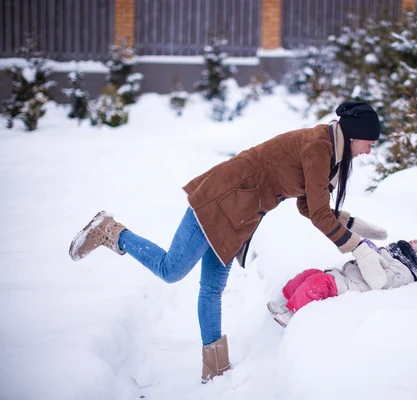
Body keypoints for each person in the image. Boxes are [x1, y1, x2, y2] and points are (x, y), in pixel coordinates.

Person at [68, 101, 392, 382]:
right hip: (222, 196)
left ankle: (215, 369)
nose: (370, 149)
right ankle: (111, 231)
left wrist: (352, 226)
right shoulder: (319, 148)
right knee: (171, 269)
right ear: (353, 135)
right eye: (369, 142)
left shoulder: (328, 151)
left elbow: (310, 206)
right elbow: (320, 213)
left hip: (243, 211)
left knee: (212, 289)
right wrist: (357, 247)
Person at [266, 235, 417, 327]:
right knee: (310, 273)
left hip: (354, 287)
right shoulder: (396, 253)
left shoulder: (406, 271)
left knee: (319, 282)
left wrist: (365, 253)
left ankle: (292, 314)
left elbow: (380, 281)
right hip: (348, 274)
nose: (414, 242)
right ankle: (286, 303)